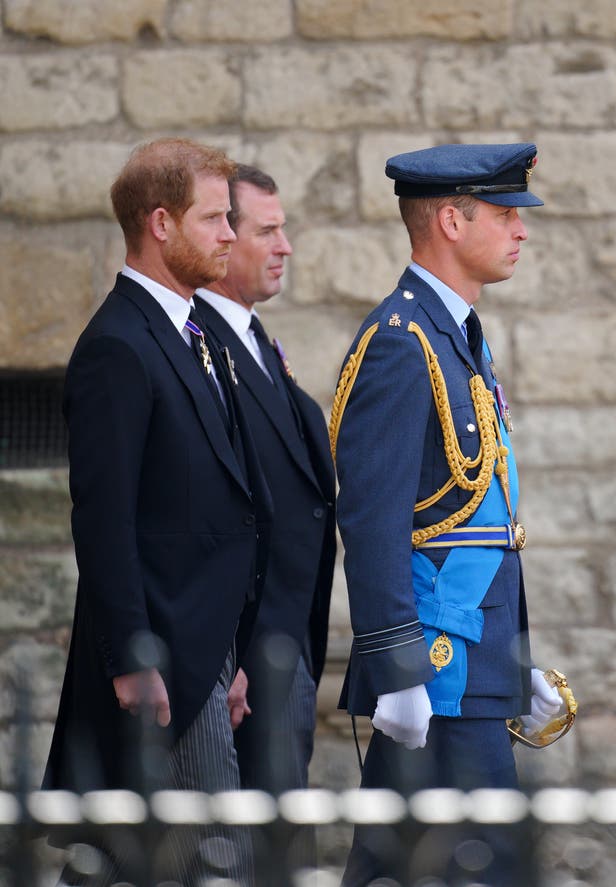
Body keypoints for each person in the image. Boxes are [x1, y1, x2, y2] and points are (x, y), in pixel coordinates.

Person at [330, 143, 562, 886]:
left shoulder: (455, 335)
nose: (521, 230)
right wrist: (398, 670)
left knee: (406, 864)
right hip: (433, 670)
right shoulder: (401, 345)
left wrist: (513, 659)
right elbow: (372, 519)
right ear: (452, 221)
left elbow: (484, 517)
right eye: (503, 214)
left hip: (470, 660)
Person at [42, 138, 272, 886]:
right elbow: (103, 521)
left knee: (165, 859)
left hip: (205, 650)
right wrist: (136, 656)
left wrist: (230, 656)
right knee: (212, 859)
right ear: (161, 223)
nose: (231, 235)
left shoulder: (187, 334)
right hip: (164, 655)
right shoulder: (118, 345)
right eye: (215, 219)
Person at [194, 164, 336, 798]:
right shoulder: (198, 344)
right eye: (268, 231)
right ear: (222, 239)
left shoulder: (252, 339)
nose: (285, 247)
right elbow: (206, 514)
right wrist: (230, 656)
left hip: (287, 638)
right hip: (249, 653)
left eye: (285, 231)